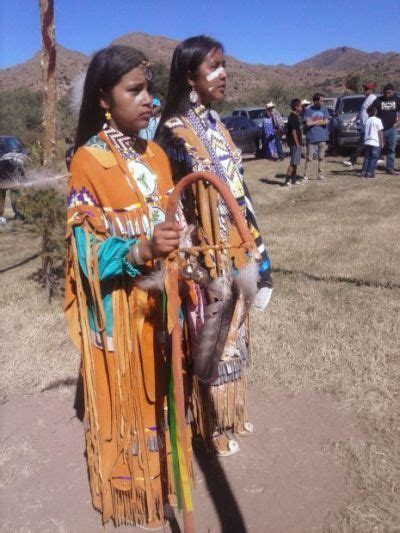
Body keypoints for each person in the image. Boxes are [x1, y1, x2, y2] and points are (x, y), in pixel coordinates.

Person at [65, 45, 193, 529]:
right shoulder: (88, 161)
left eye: (149, 90)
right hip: (120, 310)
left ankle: (166, 482)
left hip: (164, 305)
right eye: (133, 90)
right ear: (103, 97)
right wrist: (138, 252)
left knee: (166, 396)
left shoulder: (158, 155)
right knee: (130, 401)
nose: (147, 100)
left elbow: (170, 220)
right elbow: (84, 252)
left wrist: (182, 243)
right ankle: (132, 495)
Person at [156, 35, 272, 456]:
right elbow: (171, 205)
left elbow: (239, 193)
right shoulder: (173, 134)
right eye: (214, 67)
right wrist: (195, 270)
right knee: (210, 340)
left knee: (236, 335)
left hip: (237, 249)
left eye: (225, 65)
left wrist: (257, 248)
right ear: (190, 76)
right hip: (205, 257)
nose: (224, 73)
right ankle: (211, 426)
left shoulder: (218, 125)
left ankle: (232, 414)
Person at [342, 82, 377, 169]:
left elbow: (374, 111)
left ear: (371, 90)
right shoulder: (366, 99)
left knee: (362, 144)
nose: (364, 90)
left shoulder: (373, 98)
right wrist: (352, 120)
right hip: (363, 126)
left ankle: (352, 161)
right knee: (363, 145)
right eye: (364, 88)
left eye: (366, 89)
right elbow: (361, 113)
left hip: (368, 126)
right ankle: (353, 161)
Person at [372, 83, 400, 175]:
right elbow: (371, 111)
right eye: (385, 93)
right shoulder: (378, 100)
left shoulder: (396, 100)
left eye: (389, 93)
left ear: (393, 92)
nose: (387, 95)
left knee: (391, 149)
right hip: (380, 129)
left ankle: (390, 169)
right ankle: (371, 169)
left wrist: (398, 122)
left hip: (392, 128)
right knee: (377, 149)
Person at [304, 93, 330, 180]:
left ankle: (320, 174)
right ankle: (306, 175)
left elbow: (326, 121)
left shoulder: (324, 109)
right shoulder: (308, 111)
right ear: (315, 101)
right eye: (321, 101)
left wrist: (314, 122)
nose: (322, 102)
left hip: (322, 136)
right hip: (311, 136)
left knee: (321, 157)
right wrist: (319, 121)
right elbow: (308, 123)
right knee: (309, 157)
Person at [360, 105, 384, 179]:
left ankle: (364, 173)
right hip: (375, 142)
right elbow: (380, 132)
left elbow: (363, 132)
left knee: (367, 158)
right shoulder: (378, 120)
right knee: (373, 158)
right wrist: (381, 142)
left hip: (367, 141)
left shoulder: (366, 121)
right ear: (376, 112)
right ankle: (370, 174)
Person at [284, 98, 303, 187]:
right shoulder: (292, 117)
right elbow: (293, 131)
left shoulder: (296, 116)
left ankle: (293, 180)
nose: (301, 107)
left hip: (298, 142)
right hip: (294, 143)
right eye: (300, 106)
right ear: (296, 107)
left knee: (296, 162)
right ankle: (286, 181)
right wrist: (297, 143)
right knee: (293, 162)